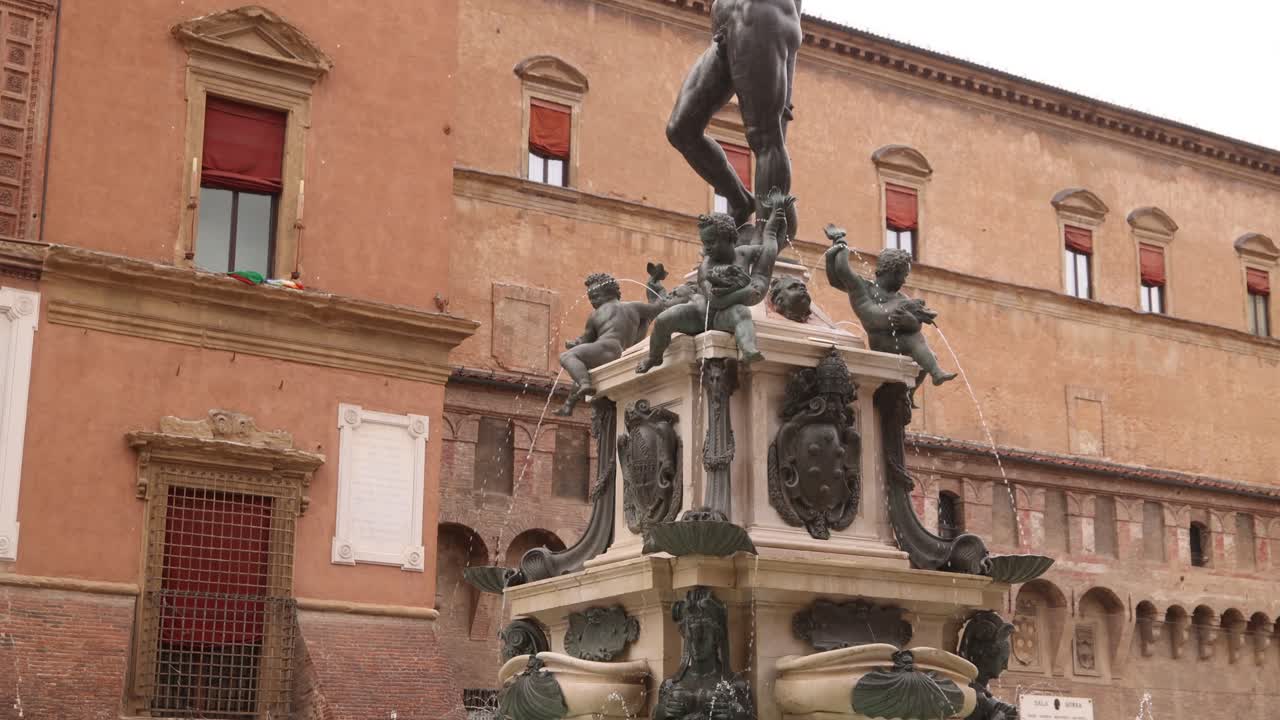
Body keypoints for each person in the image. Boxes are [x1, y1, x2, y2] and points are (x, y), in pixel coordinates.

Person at [667, 0, 802, 234]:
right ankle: (741, 201)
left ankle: (766, 231)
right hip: (725, 23)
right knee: (681, 130)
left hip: (762, 16)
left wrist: (787, 80)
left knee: (763, 136)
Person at [636, 191, 792, 374]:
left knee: (741, 314)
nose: (706, 247)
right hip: (700, 315)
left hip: (721, 317)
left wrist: (774, 224)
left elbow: (769, 250)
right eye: (704, 243)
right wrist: (744, 293)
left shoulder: (744, 253)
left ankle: (749, 348)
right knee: (663, 320)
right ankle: (654, 357)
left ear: (728, 238)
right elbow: (714, 300)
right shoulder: (706, 266)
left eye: (711, 242)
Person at [823, 225, 958, 389]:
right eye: (903, 275)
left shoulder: (901, 298)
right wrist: (840, 247)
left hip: (896, 343)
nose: (904, 281)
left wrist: (909, 320)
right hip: (880, 343)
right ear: (892, 271)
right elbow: (841, 272)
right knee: (914, 341)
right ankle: (926, 380)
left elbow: (915, 326)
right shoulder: (865, 288)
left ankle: (911, 393)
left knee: (927, 354)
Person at [555, 265, 684, 416]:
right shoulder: (634, 307)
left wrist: (574, 344)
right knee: (582, 368)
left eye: (595, 296)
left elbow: (585, 339)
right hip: (619, 350)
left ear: (610, 293)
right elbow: (658, 308)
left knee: (568, 356)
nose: (593, 301)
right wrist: (658, 288)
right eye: (591, 298)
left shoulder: (595, 314)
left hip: (606, 347)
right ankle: (569, 405)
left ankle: (584, 384)